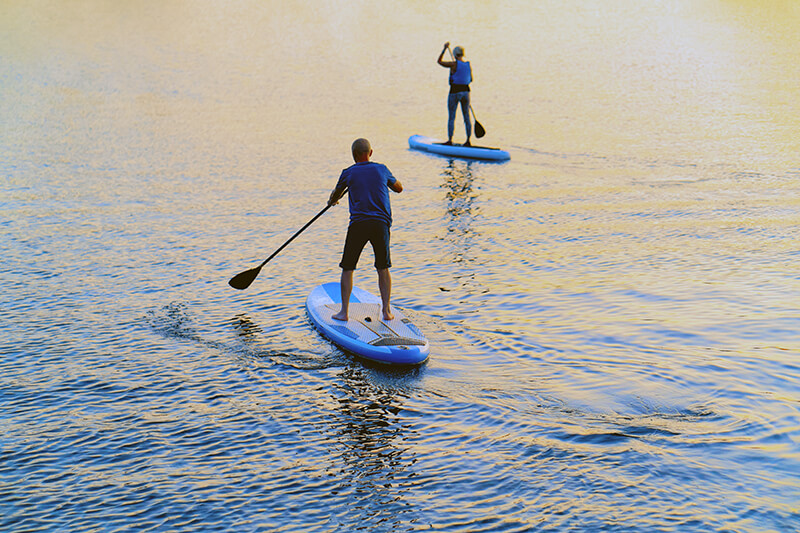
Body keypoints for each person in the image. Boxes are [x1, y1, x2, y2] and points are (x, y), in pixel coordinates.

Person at [328, 138, 403, 321]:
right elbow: (399, 188)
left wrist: (333, 200)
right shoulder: (382, 169)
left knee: (347, 267)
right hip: (380, 225)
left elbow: (334, 196)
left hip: (359, 225)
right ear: (370, 153)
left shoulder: (348, 173)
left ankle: (344, 312)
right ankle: (386, 311)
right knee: (383, 267)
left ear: (354, 156)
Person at [437, 42, 472, 146]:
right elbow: (471, 79)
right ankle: (468, 140)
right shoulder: (468, 65)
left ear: (455, 54)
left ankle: (450, 140)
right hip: (466, 92)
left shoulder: (453, 64)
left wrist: (444, 49)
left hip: (455, 92)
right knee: (466, 116)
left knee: (452, 117)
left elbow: (439, 61)